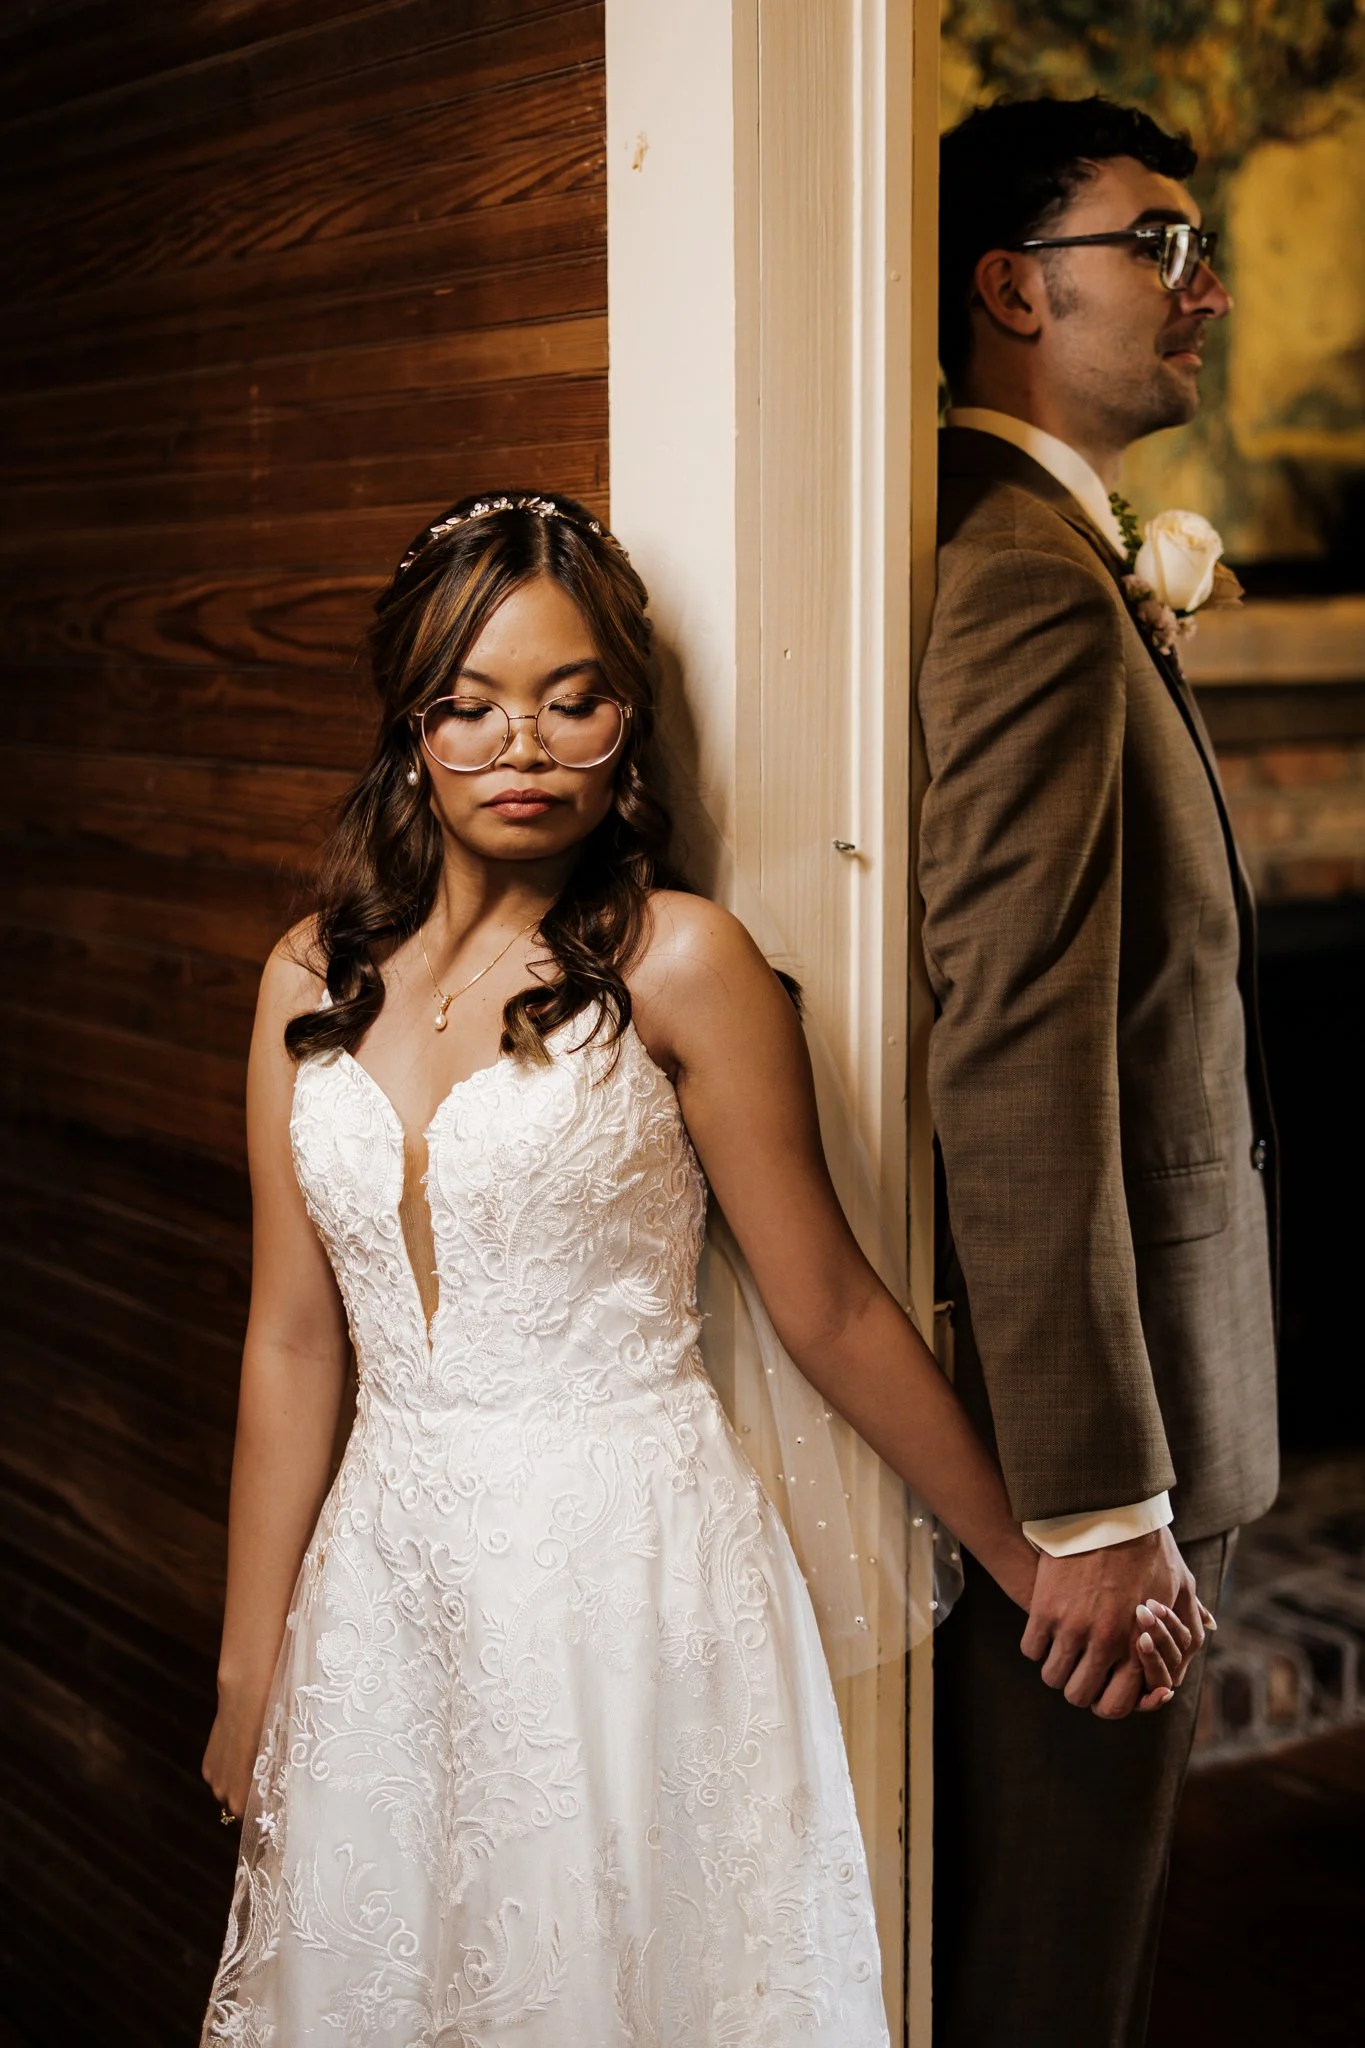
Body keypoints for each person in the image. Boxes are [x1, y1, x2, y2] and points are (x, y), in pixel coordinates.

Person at [199, 491, 1188, 2045]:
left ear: (628, 725)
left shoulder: (680, 962)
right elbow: (291, 1346)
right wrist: (252, 1663)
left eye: (569, 698)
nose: (522, 747)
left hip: (630, 1587)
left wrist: (1043, 1554)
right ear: (410, 729)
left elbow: (833, 1306)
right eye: (471, 707)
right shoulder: (304, 981)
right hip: (383, 1593)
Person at [921, 97, 1279, 2048]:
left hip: (1156, 1395)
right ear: (1009, 286)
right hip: (1100, 1457)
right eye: (1154, 241)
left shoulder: (1072, 551)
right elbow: (1015, 1035)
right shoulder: (1023, 581)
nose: (1199, 285)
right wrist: (1088, 1498)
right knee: (1048, 1978)